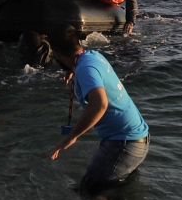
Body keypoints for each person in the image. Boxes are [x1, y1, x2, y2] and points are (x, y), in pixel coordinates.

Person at [48, 25, 150, 191]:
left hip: (123, 145)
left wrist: (72, 136)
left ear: (57, 54)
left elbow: (100, 104)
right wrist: (71, 69)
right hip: (138, 140)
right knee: (117, 194)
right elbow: (89, 70)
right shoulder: (92, 56)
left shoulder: (85, 69)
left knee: (89, 191)